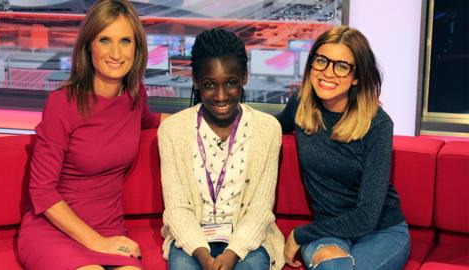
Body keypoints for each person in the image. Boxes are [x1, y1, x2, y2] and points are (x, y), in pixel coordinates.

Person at [17, 1, 163, 269]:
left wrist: (203, 118)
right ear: (88, 46)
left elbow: (149, 121)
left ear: (137, 48)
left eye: (126, 41)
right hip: (55, 230)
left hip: (109, 226)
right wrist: (96, 242)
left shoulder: (134, 96)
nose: (116, 53)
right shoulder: (62, 103)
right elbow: (42, 190)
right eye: (105, 40)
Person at [278, 26, 410, 270]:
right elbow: (269, 128)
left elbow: (366, 216)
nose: (328, 72)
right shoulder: (301, 105)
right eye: (321, 61)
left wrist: (299, 234)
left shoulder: (378, 125)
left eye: (341, 66)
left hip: (381, 230)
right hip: (328, 230)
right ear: (312, 64)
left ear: (356, 77)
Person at [158, 28, 285, 270]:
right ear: (195, 80)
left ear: (244, 77)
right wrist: (203, 255)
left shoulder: (268, 129)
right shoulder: (172, 131)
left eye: (231, 83)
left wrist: (233, 253)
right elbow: (177, 209)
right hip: (192, 240)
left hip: (247, 238)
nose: (220, 96)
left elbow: (261, 208)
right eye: (209, 84)